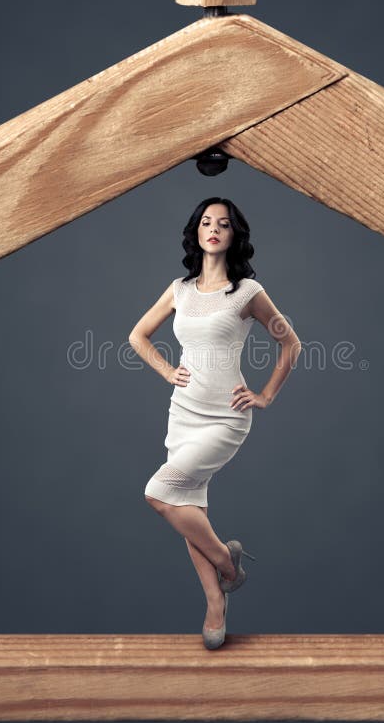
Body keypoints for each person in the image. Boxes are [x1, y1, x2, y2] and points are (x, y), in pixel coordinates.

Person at [128, 197, 302, 649]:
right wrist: (167, 371)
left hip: (226, 416)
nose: (214, 229)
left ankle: (227, 563)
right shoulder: (179, 290)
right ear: (196, 231)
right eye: (206, 222)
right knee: (189, 506)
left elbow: (292, 346)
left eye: (223, 224)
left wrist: (264, 395)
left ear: (233, 235)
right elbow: (137, 335)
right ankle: (215, 602)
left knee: (159, 493)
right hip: (183, 413)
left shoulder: (246, 293)